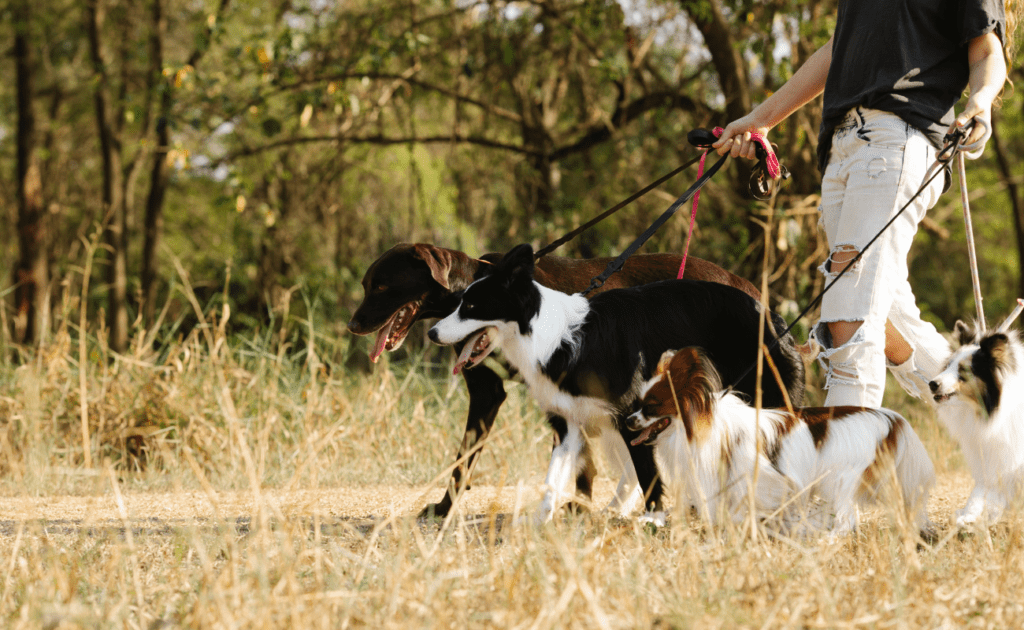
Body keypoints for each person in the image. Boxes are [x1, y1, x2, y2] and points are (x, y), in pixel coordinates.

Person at [712, 0, 1013, 407]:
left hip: (897, 139)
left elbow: (986, 49)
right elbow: (838, 49)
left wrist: (981, 103)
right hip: (841, 148)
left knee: (848, 318)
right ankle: (1005, 417)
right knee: (886, 316)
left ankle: (841, 465)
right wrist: (761, 118)